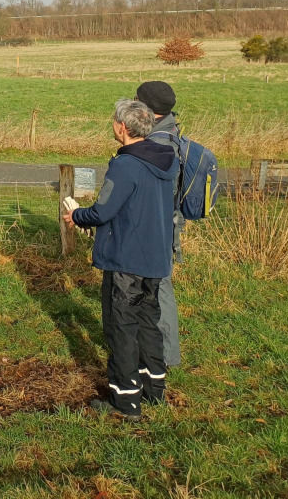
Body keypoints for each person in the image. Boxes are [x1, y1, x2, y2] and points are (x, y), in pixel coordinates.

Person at [63, 99, 178, 420]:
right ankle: (154, 389)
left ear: (122, 127)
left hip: (126, 259)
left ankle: (125, 400)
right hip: (155, 258)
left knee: (122, 327)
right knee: (148, 323)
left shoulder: (125, 165)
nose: (112, 125)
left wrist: (77, 215)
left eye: (114, 121)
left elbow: (103, 210)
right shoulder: (165, 160)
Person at [135, 81, 183, 368]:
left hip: (158, 227)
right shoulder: (167, 131)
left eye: (136, 99)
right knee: (153, 287)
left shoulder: (159, 143)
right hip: (162, 223)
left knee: (159, 287)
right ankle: (152, 348)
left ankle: (165, 356)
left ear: (148, 109)